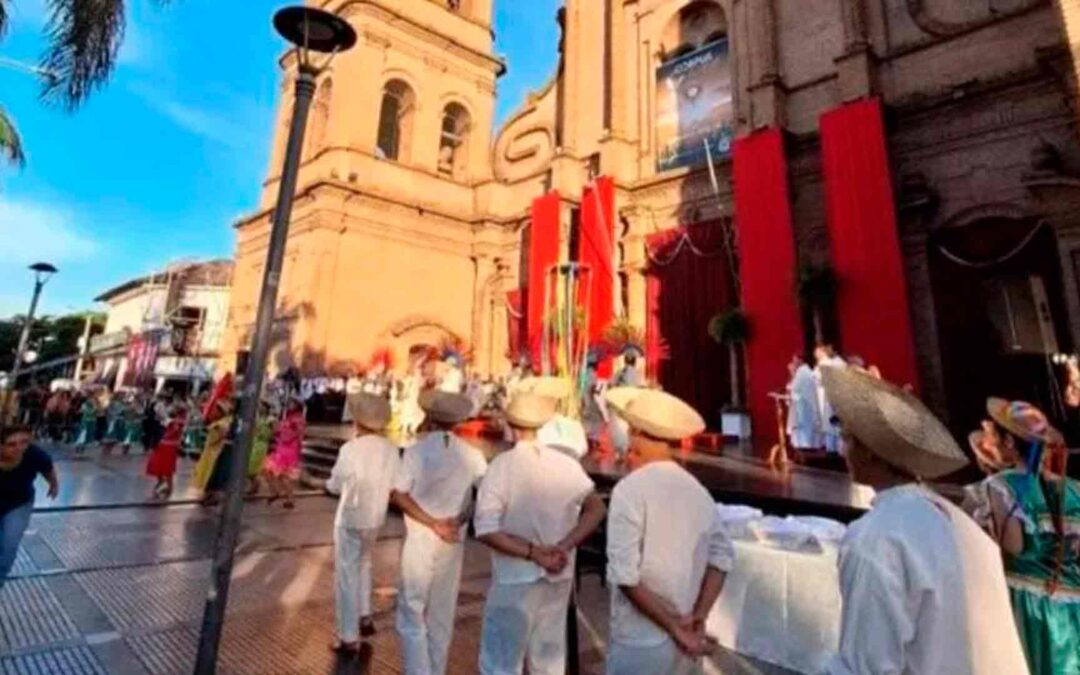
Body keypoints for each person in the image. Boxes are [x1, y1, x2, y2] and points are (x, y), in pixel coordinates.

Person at [819, 366, 1029, 674]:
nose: (842, 450)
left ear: (872, 452)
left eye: (848, 439)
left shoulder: (876, 537)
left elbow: (866, 663)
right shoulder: (960, 523)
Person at [475, 391, 606, 675]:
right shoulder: (566, 464)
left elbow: (486, 529)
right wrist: (565, 545)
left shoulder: (502, 467)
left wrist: (533, 553)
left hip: (515, 576)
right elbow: (596, 509)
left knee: (501, 661)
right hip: (558, 571)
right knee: (548, 660)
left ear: (511, 425)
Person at [604, 389, 734, 675]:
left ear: (637, 434)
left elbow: (625, 576)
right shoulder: (698, 491)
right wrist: (698, 616)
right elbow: (723, 556)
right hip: (686, 635)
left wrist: (675, 626)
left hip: (640, 641)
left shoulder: (628, 491)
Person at [980, 398, 1079, 675]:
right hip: (1073, 606)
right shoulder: (1075, 490)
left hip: (1028, 604)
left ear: (1010, 441)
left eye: (996, 436)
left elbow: (1014, 546)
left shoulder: (1001, 486)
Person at [391, 390, 486, 675]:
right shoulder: (472, 454)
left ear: (430, 418)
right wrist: (457, 520)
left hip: (422, 533)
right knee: (442, 612)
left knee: (412, 607)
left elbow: (399, 494)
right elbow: (483, 495)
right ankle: (436, 669)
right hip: (453, 537)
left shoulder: (416, 452)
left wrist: (432, 522)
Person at [326, 393, 399, 653]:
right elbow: (396, 484)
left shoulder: (351, 449)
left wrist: (329, 485)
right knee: (365, 561)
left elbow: (335, 484)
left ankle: (348, 635)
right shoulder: (391, 449)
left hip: (351, 517)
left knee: (346, 572)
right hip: (376, 516)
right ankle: (365, 614)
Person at [1, 425, 58, 587]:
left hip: (19, 504)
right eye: (12, 444)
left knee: (8, 546)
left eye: (24, 442)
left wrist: (54, 485)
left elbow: (48, 469)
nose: (19, 448)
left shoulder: (33, 454)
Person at [264, 397, 306, 509]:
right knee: (269, 471)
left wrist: (287, 435)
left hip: (289, 451)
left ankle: (289, 499)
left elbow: (299, 434)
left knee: (283, 476)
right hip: (281, 448)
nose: (289, 405)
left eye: (292, 403)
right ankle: (275, 492)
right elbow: (278, 431)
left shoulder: (298, 419)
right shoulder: (287, 417)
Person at [146, 405, 186, 498]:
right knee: (157, 465)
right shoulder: (173, 420)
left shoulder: (178, 421)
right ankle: (163, 483)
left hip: (169, 447)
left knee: (167, 467)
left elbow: (175, 429)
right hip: (163, 445)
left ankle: (169, 487)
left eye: (174, 408)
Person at [813, 344, 846, 453]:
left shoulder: (829, 363)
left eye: (817, 352)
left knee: (832, 424)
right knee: (828, 424)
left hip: (828, 395)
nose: (815, 354)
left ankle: (835, 449)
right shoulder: (823, 363)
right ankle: (830, 447)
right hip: (823, 395)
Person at [786, 354, 821, 453]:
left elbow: (794, 387)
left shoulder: (802, 372)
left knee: (802, 429)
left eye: (795, 360)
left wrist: (791, 374)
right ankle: (804, 448)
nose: (793, 362)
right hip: (803, 404)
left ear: (800, 360)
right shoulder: (805, 371)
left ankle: (804, 450)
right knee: (803, 429)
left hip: (803, 405)